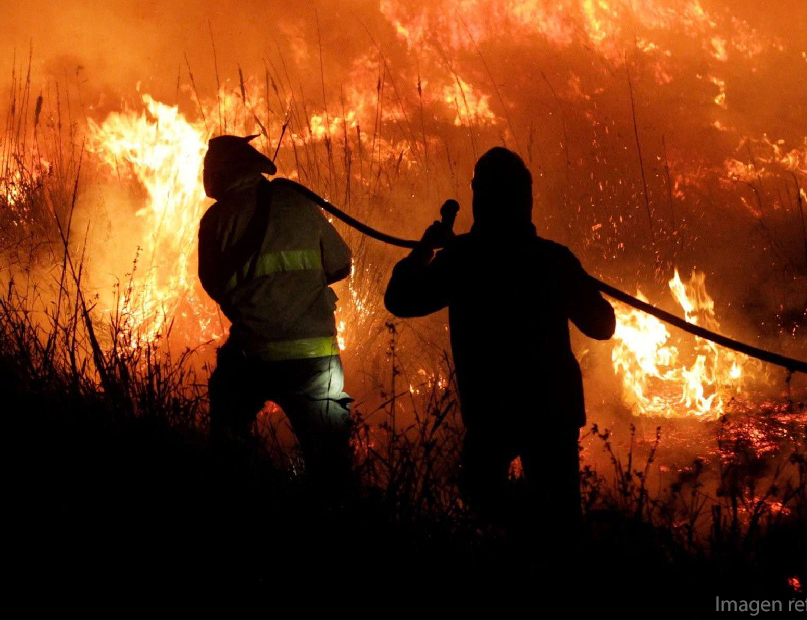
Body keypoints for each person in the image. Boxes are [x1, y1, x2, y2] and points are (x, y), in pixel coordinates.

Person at [384, 146, 616, 527]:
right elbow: (602, 326)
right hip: (551, 409)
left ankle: (520, 545)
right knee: (559, 522)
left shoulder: (463, 259)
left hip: (493, 409)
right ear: (525, 200)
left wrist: (424, 250)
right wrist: (577, 284)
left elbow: (401, 298)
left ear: (479, 199)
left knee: (481, 494)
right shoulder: (552, 259)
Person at [198, 134, 354, 487]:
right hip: (316, 357)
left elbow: (213, 284)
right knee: (332, 468)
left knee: (227, 437)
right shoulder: (298, 202)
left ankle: (236, 494)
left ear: (220, 173)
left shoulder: (216, 219)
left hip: (253, 354)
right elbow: (341, 263)